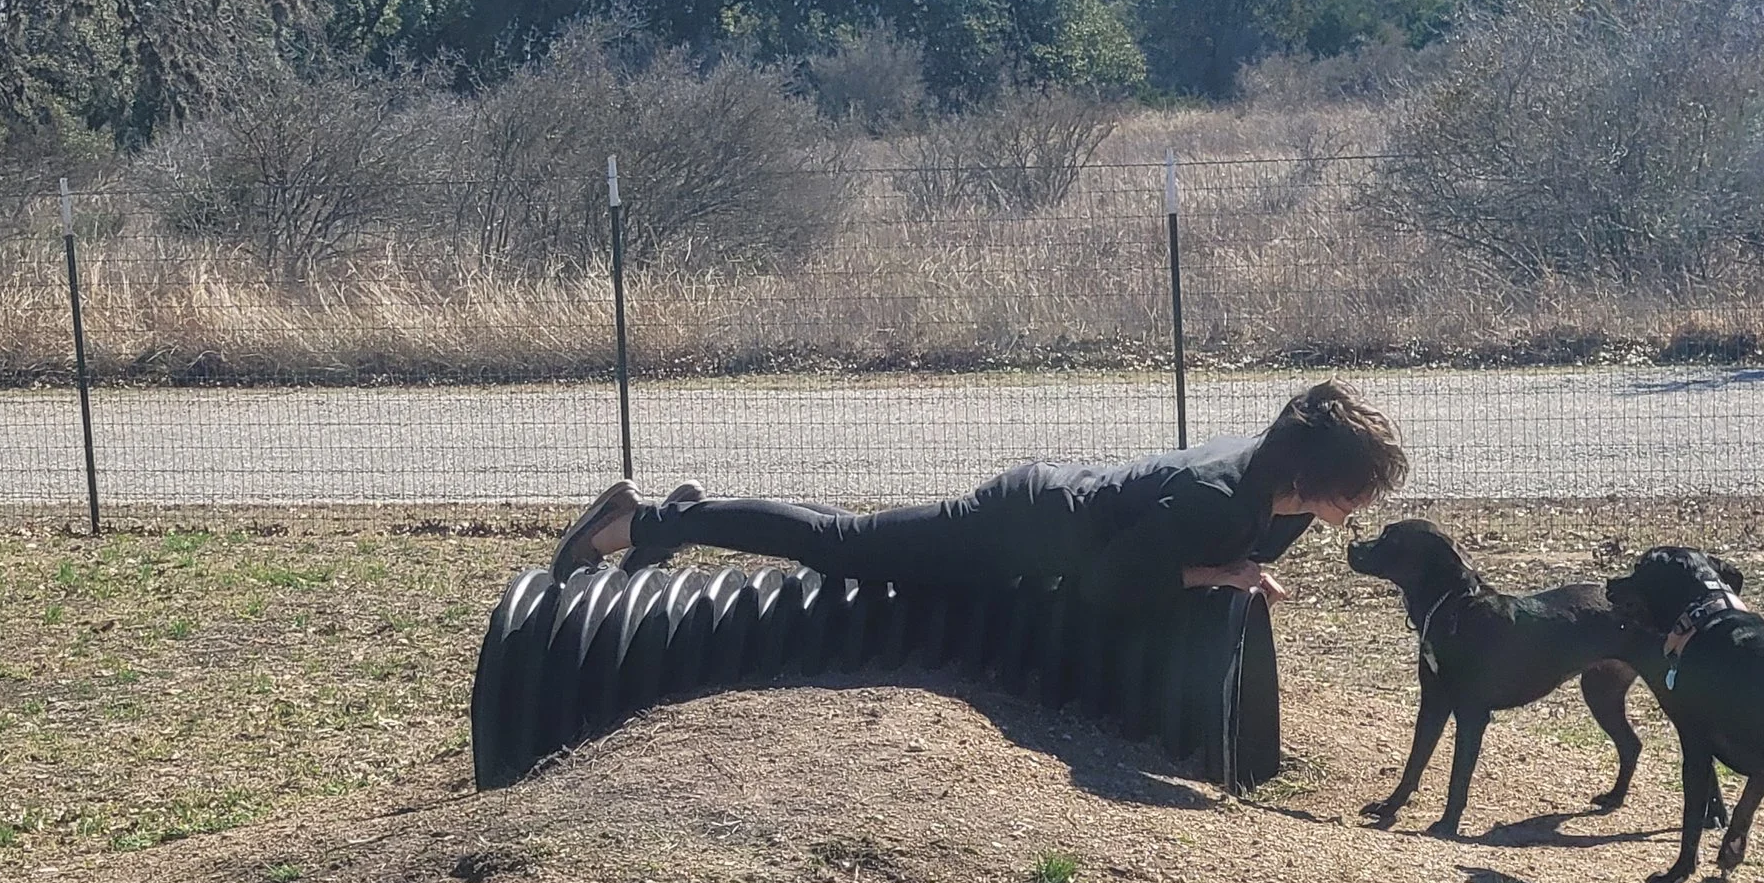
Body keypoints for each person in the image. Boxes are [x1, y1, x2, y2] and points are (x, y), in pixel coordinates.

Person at [550, 381, 1409, 611]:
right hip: (1017, 526)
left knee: (853, 551)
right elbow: (1113, 585)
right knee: (844, 546)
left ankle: (678, 514)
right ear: (1311, 477)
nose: (1361, 506)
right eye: (1355, 489)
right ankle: (642, 521)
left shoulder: (1274, 490)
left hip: (1048, 521)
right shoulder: (1226, 498)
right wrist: (1221, 579)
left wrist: (1233, 575)